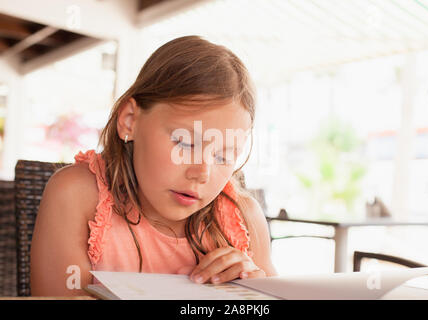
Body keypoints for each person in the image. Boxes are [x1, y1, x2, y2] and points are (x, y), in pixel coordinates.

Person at [30, 35, 277, 297]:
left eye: (223, 156)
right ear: (129, 120)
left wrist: (253, 291)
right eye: (184, 143)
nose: (202, 173)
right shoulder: (77, 195)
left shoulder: (245, 220)